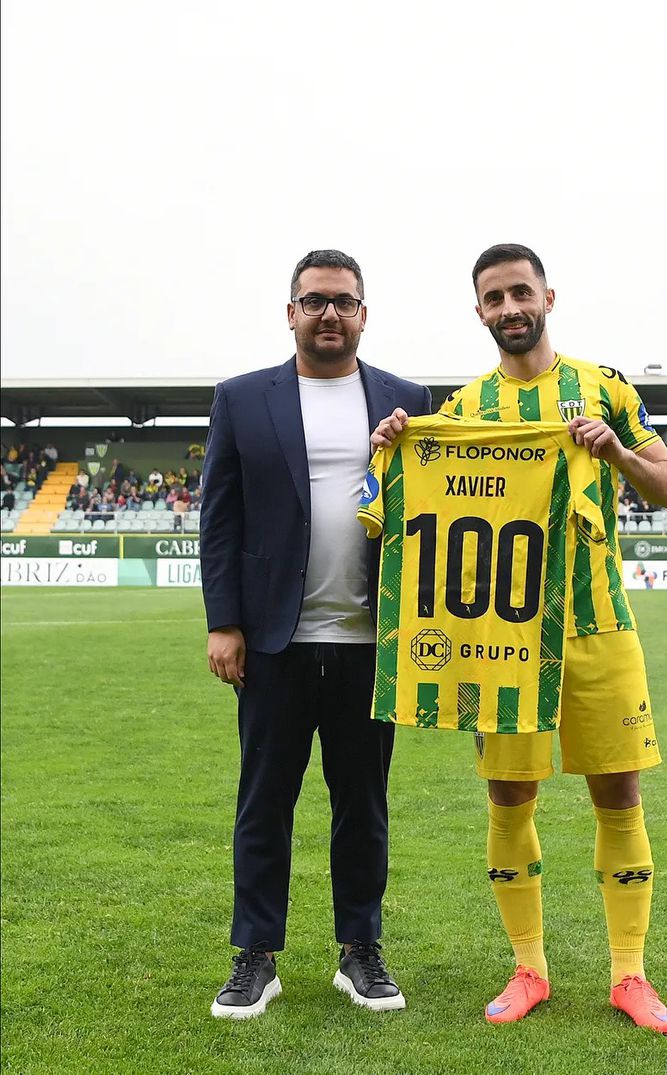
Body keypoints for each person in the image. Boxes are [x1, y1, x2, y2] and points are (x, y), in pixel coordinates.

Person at [371, 243, 667, 1033]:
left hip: (599, 627)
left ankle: (630, 975)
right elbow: (393, 510)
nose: (510, 307)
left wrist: (614, 452)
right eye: (493, 297)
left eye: (521, 292)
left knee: (618, 792)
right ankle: (530, 967)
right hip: (501, 643)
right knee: (510, 795)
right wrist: (399, 445)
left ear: (548, 295)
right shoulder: (467, 409)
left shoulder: (605, 387)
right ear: (479, 311)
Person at [201, 249, 431, 1021]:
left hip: (371, 643)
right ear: (290, 312)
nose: (328, 313)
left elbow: (427, 519)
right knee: (264, 800)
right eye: (313, 301)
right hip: (273, 640)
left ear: (364, 314)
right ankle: (255, 956)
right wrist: (223, 622)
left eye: (343, 301)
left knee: (362, 804)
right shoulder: (241, 398)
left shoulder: (406, 398)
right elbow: (221, 518)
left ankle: (359, 949)